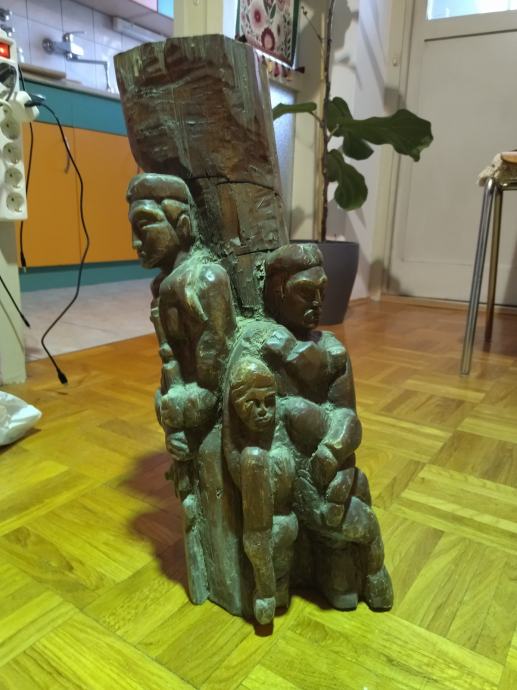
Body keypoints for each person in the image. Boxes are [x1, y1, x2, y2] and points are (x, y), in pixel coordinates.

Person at [262, 243, 393, 611]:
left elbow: (348, 417)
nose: (318, 302)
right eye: (306, 292)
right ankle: (339, 563)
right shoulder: (264, 346)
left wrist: (332, 451)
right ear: (278, 290)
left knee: (349, 498)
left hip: (327, 466)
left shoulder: (333, 351)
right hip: (285, 471)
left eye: (322, 291)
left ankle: (358, 568)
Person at [224, 356, 298, 624]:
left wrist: (264, 593)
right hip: (281, 531)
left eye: (269, 402)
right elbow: (257, 535)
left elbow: (257, 537)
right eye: (252, 404)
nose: (263, 411)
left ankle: (270, 593)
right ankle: (274, 591)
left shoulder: (259, 453)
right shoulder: (257, 456)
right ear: (236, 407)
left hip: (276, 533)